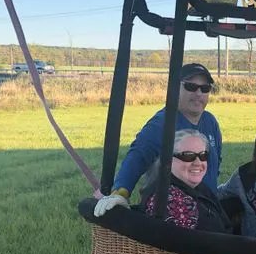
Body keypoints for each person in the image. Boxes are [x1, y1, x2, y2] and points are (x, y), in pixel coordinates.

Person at [94, 63, 222, 217]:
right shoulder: (162, 123)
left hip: (207, 210)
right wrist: (120, 192)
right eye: (190, 87)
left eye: (205, 88)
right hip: (174, 214)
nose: (198, 93)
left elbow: (215, 165)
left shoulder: (210, 122)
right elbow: (137, 156)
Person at [135, 129, 231, 232]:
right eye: (188, 155)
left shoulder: (197, 188)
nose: (198, 162)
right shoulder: (170, 200)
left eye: (203, 155)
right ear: (169, 159)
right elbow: (185, 245)